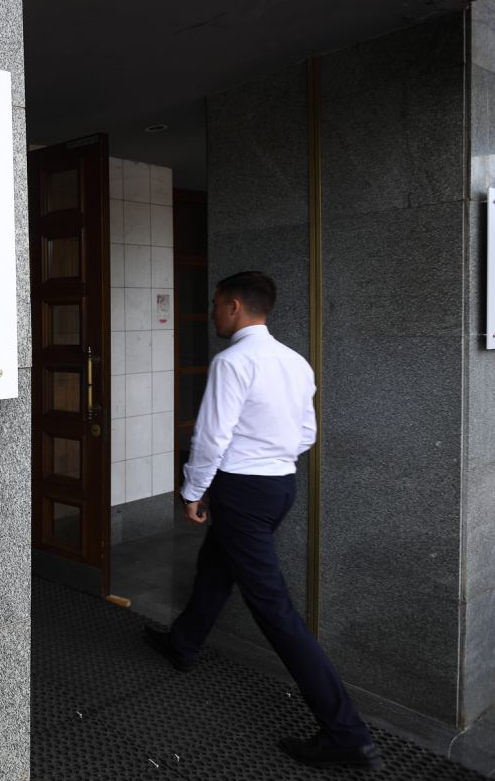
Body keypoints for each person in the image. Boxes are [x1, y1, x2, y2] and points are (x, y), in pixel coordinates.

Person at [143, 271, 381, 771]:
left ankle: (347, 732)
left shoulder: (232, 362)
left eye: (215, 304)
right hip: (279, 486)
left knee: (273, 607)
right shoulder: (295, 362)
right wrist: (270, 455)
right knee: (217, 565)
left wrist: (193, 491)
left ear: (234, 306)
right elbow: (307, 434)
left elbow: (211, 436)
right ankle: (183, 642)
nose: (211, 312)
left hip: (242, 490)